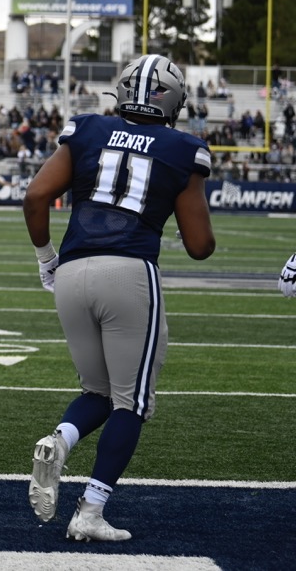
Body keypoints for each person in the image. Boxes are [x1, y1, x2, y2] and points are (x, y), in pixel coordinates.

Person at [23, 54, 215, 541]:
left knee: (98, 393)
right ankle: (90, 512)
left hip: (71, 273)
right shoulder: (183, 147)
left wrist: (46, 258)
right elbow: (199, 247)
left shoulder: (87, 128)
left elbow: (35, 196)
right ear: (173, 101)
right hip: (129, 273)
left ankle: (60, 439)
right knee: (132, 403)